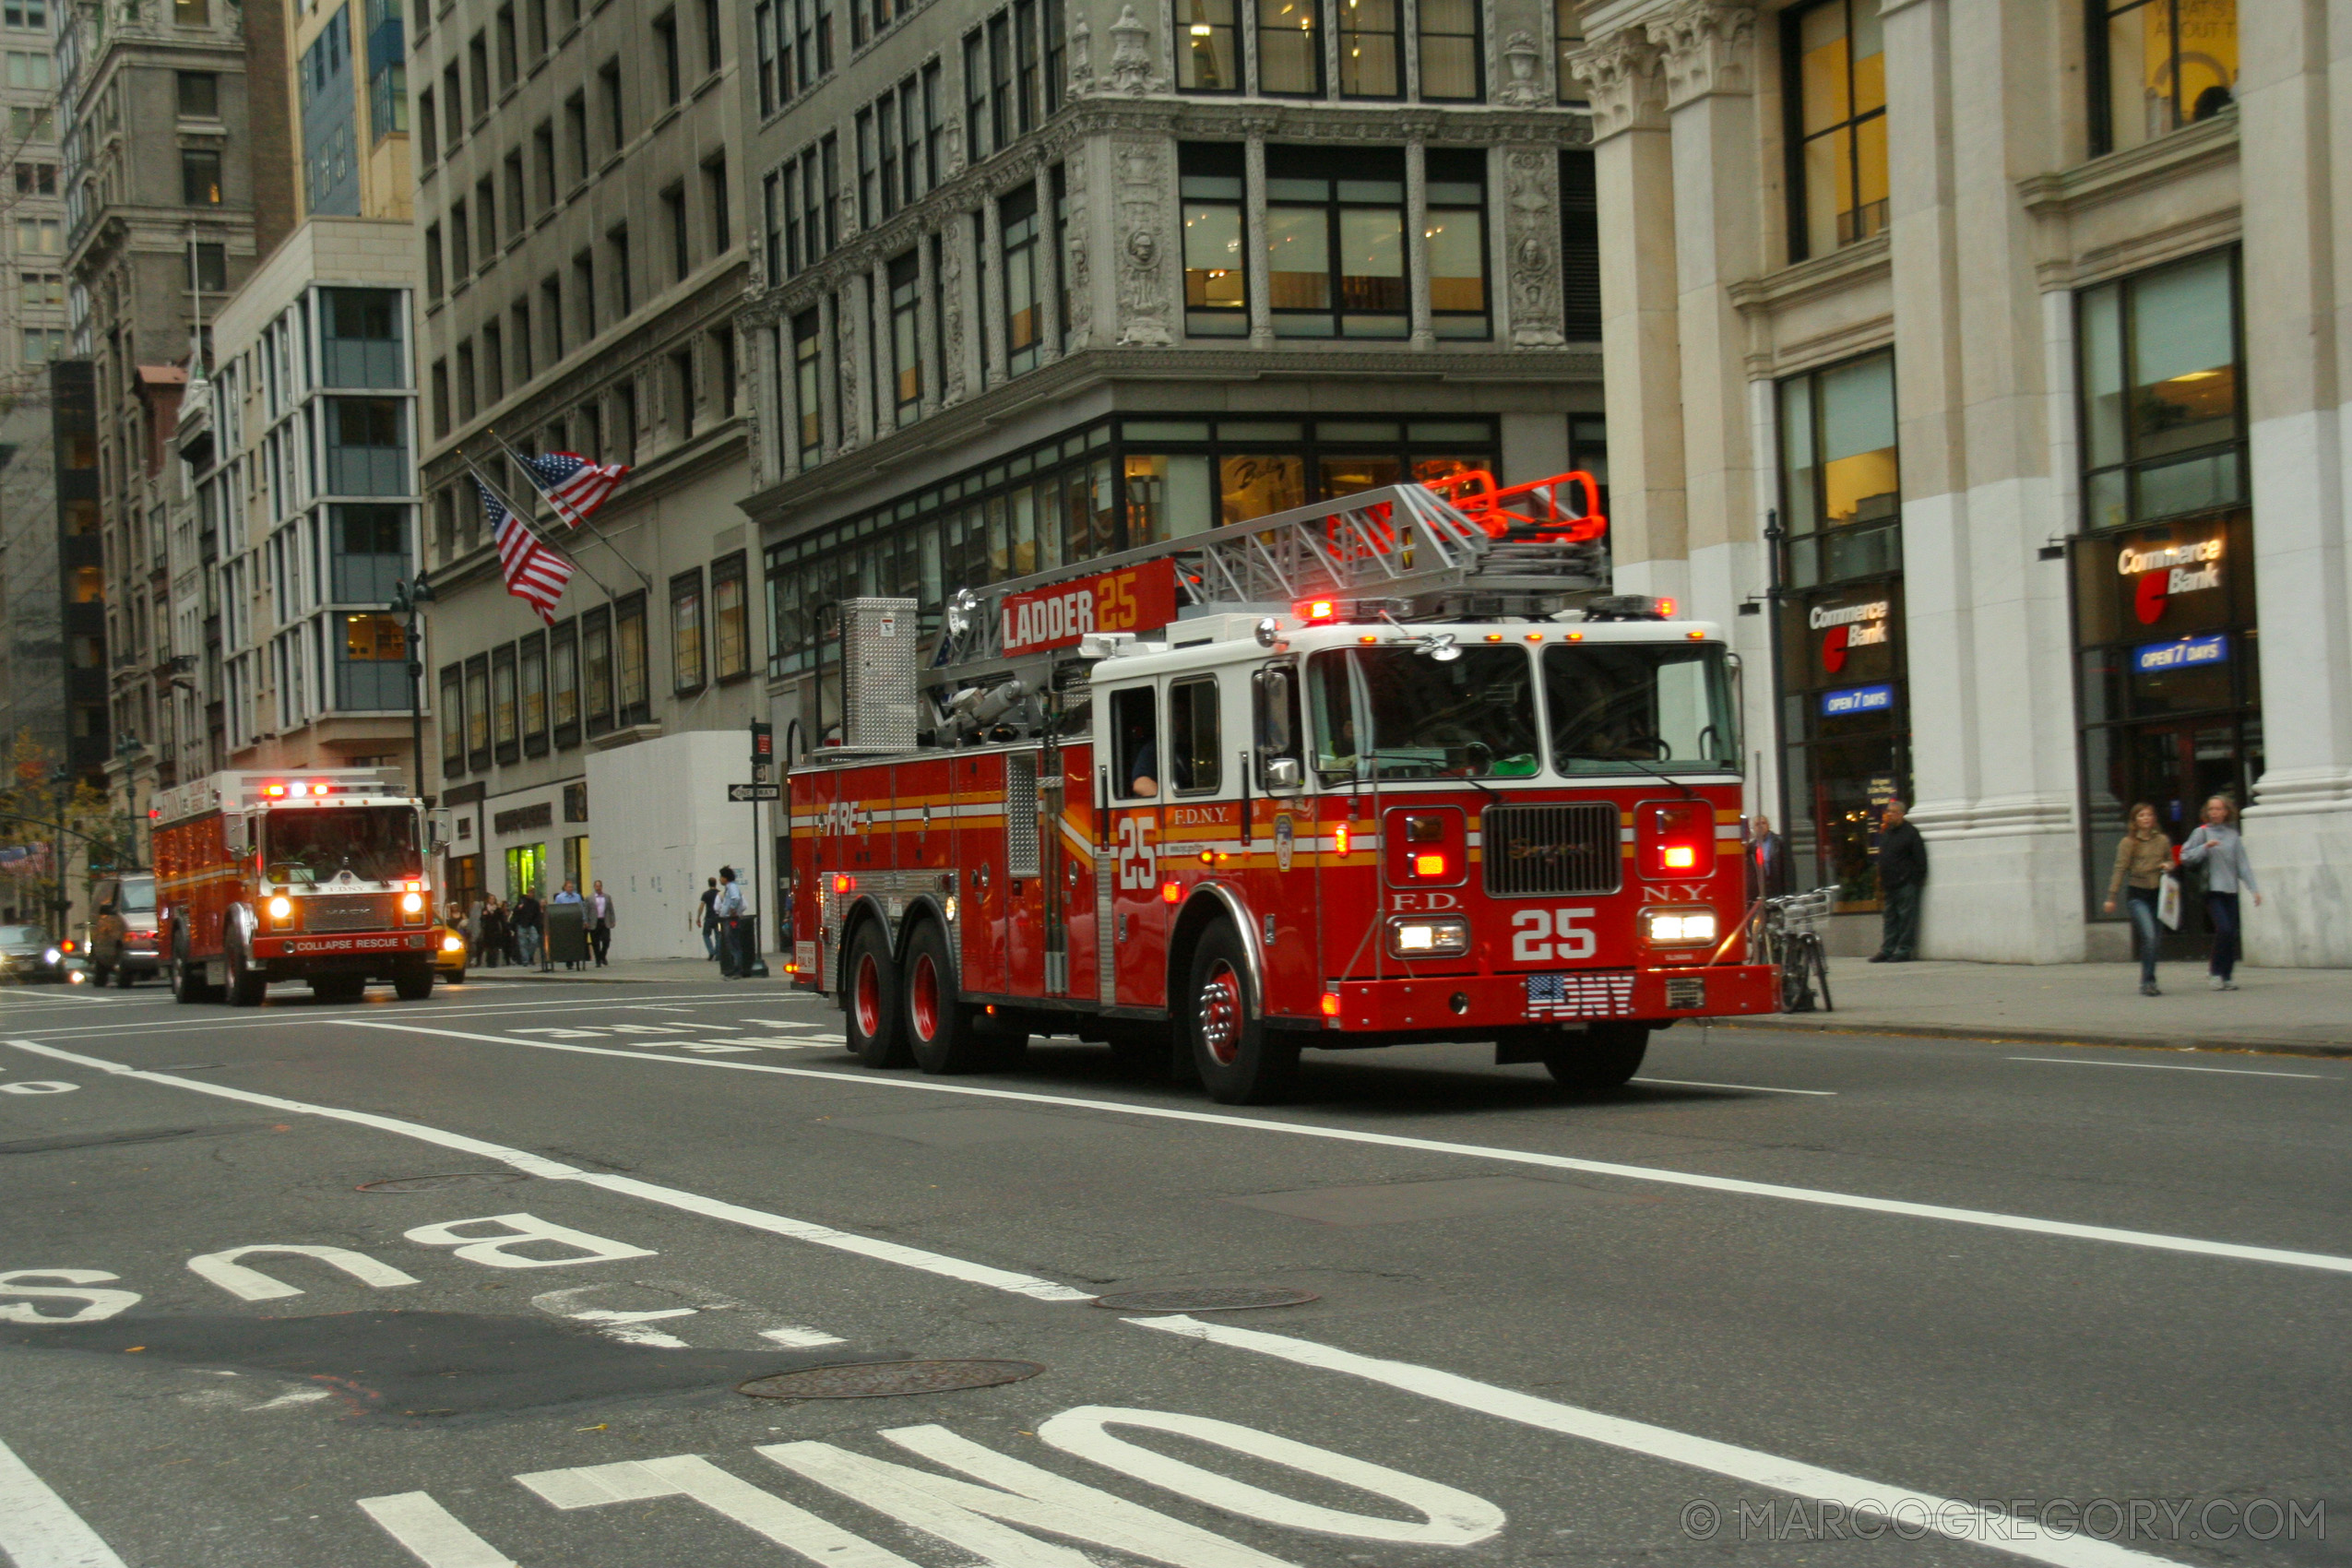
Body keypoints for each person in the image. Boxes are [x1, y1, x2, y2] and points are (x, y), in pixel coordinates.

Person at [2180, 795, 2261, 991]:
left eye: (2218, 809)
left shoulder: (2232, 835)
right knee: (2223, 929)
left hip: (2230, 889)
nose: (2214, 813)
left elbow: (2242, 864)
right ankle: (2215, 972)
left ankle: (2227, 975)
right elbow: (2185, 855)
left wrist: (2254, 889)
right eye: (2211, 809)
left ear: (2226, 811)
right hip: (2212, 890)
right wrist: (2205, 847)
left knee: (2231, 933)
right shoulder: (2202, 832)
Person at [2102, 802, 2173, 997]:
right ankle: (2147, 982)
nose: (2146, 819)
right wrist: (2111, 896)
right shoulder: (2128, 843)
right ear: (2135, 821)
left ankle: (2149, 978)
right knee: (2149, 936)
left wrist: (2168, 865)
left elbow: (2171, 860)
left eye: (2149, 815)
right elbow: (2120, 869)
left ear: (2154, 818)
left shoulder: (2162, 840)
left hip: (2158, 893)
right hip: (2138, 894)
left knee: (2155, 941)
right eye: (2141, 816)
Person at [1870, 798, 1928, 963]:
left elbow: (1920, 861)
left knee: (1906, 918)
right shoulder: (1887, 832)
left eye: (1893, 812)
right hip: (1889, 883)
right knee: (1890, 918)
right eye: (1888, 812)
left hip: (1905, 883)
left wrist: (1912, 879)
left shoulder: (1911, 833)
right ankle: (1887, 949)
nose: (1889, 815)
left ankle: (1904, 950)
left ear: (1902, 814)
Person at [713, 865, 748, 978]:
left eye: (721, 877)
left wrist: (732, 909)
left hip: (731, 919)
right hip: (729, 918)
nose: (720, 879)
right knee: (732, 944)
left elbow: (736, 898)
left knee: (733, 944)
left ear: (725, 878)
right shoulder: (730, 887)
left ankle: (737, 969)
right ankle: (735, 968)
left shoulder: (731, 887)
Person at [1749, 814, 1790, 901]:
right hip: (1760, 890)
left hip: (1777, 887)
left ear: (1768, 825)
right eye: (1757, 824)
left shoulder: (1779, 842)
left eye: (1763, 823)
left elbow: (1787, 868)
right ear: (1753, 828)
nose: (1760, 826)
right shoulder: (1751, 847)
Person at [550, 879, 585, 969]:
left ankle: (574, 959)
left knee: (574, 941)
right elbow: (556, 909)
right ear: (565, 887)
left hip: (575, 922)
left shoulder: (577, 897)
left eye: (572, 887)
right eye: (569, 887)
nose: (571, 888)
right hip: (564, 923)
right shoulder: (560, 897)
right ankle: (568, 960)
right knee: (566, 941)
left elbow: (581, 909)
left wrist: (584, 920)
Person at [588, 879, 617, 967]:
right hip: (594, 921)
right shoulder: (589, 898)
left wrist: (613, 920)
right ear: (594, 887)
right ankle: (598, 960)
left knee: (606, 940)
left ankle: (602, 955)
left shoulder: (607, 897)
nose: (598, 887)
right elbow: (586, 910)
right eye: (596, 886)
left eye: (599, 886)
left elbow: (611, 909)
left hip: (604, 921)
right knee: (595, 942)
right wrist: (586, 921)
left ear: (601, 887)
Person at [513, 887, 543, 968]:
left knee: (534, 940)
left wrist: (536, 924)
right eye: (530, 892)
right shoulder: (522, 902)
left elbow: (538, 914)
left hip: (531, 924)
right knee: (523, 943)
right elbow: (515, 911)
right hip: (521, 924)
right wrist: (519, 908)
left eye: (532, 893)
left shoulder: (535, 903)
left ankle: (529, 956)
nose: (531, 894)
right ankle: (525, 959)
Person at [695, 876, 721, 960]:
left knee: (706, 935)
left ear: (708, 884)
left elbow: (701, 907)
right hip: (718, 919)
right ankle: (718, 954)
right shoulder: (720, 893)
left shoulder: (705, 894)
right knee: (719, 935)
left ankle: (711, 951)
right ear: (716, 883)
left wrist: (698, 917)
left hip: (709, 918)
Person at [479, 897, 508, 968]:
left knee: (495, 946)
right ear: (488, 900)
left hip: (495, 930)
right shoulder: (485, 909)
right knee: (489, 947)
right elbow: (482, 919)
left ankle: (494, 962)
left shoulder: (497, 909)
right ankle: (489, 961)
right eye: (490, 899)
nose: (492, 900)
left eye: (493, 899)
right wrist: (484, 916)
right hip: (487, 930)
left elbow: (501, 919)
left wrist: (504, 928)